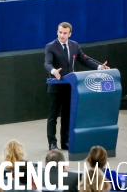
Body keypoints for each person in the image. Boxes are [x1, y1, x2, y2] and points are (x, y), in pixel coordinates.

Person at [44, 22, 109, 151]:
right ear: (57, 32)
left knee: (67, 115)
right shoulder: (50, 47)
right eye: (60, 32)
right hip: (56, 88)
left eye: (64, 33)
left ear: (70, 34)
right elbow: (47, 63)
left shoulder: (74, 45)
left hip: (70, 87)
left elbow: (85, 59)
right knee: (53, 116)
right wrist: (53, 71)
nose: (62, 35)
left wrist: (100, 67)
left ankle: (65, 142)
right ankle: (52, 143)